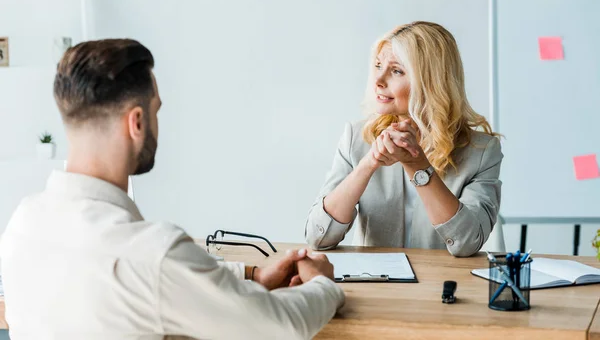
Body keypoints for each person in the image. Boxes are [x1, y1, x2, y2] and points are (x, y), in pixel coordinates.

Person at [0, 39, 344, 340]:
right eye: (155, 111)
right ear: (136, 123)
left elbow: (162, 287)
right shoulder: (152, 253)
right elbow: (279, 328)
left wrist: (252, 276)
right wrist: (324, 285)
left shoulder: (22, 224)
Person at [305, 21, 503, 257]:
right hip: (377, 286)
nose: (378, 79)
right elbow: (318, 237)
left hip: (443, 287)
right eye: (378, 65)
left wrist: (418, 166)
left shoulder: (482, 152)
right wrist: (369, 163)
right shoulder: (356, 138)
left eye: (396, 70)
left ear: (431, 82)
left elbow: (467, 242)